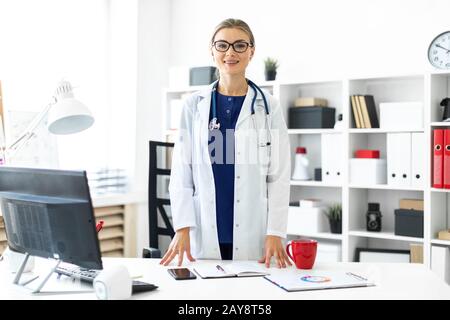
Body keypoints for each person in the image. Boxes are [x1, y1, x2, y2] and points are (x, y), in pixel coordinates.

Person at [160, 18, 291, 268]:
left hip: (255, 231)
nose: (230, 52)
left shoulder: (268, 106)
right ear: (212, 51)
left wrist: (276, 231)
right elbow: (181, 171)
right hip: (205, 227)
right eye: (222, 45)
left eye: (240, 45)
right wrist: (183, 227)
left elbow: (280, 175)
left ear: (251, 51)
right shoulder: (193, 105)